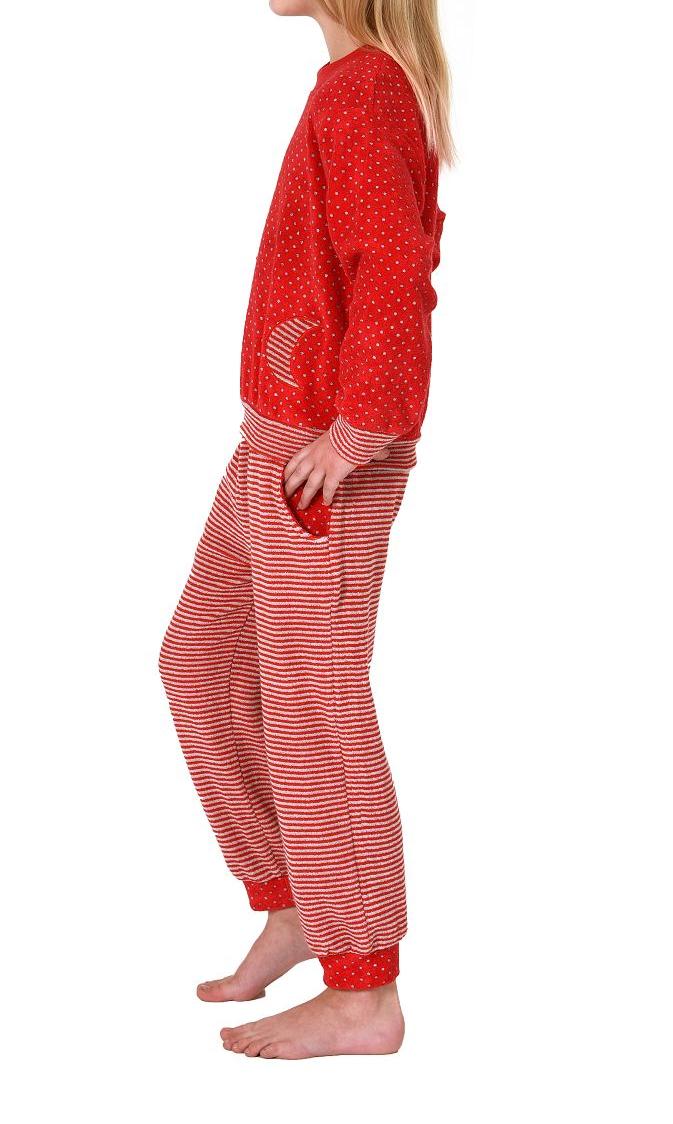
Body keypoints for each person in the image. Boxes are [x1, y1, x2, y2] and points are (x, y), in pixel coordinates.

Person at [159, 0, 453, 1060]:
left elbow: (393, 273)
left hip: (323, 452)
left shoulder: (366, 90)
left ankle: (363, 988)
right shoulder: (348, 84)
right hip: (271, 437)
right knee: (199, 660)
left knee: (313, 706)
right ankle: (296, 903)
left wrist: (358, 429)